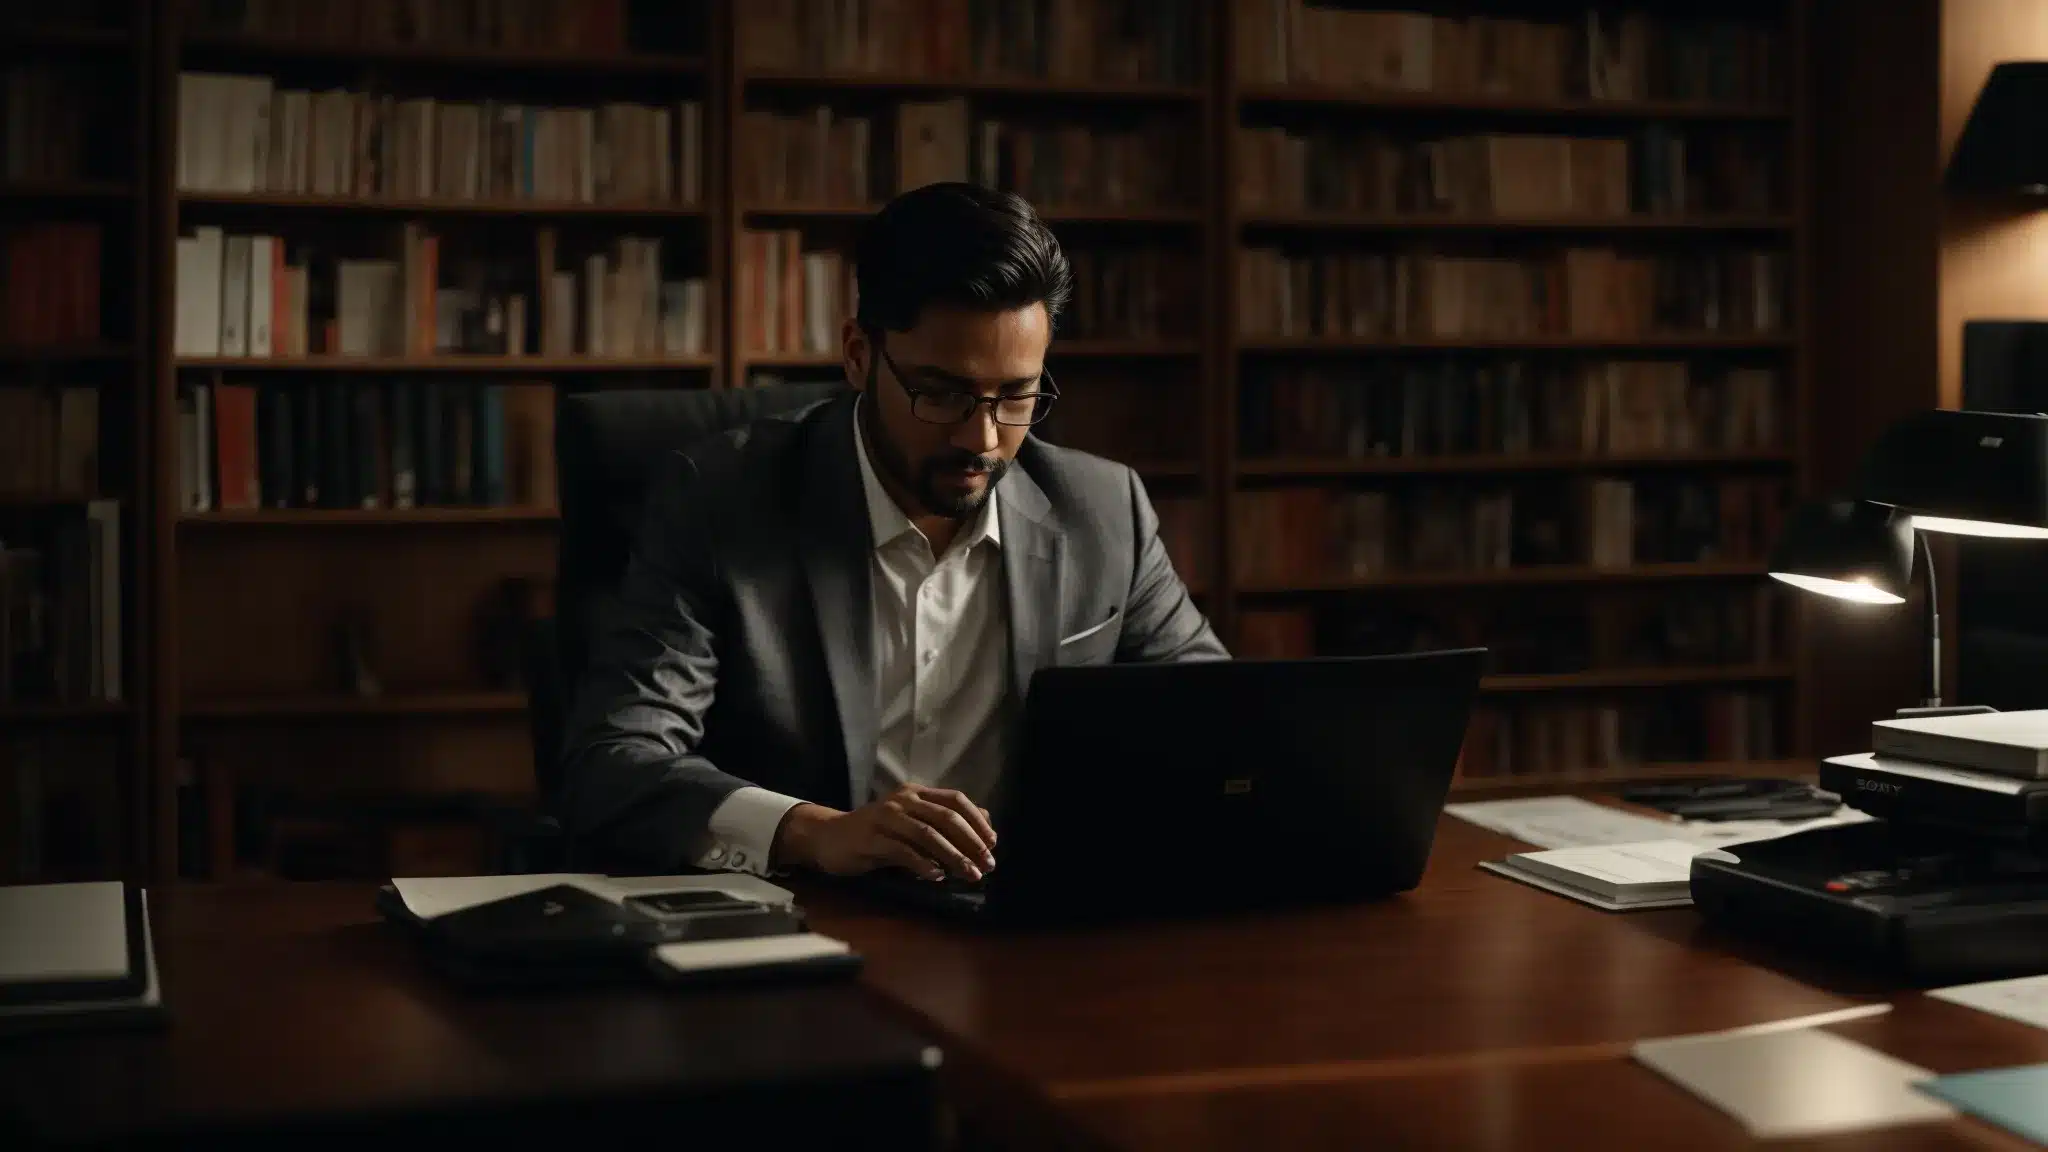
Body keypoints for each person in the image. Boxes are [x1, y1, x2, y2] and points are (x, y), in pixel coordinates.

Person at [558, 183, 1227, 883]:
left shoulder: (1101, 509)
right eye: (941, 393)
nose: (984, 438)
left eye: (1018, 395)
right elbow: (614, 760)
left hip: (1029, 929)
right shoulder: (721, 500)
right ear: (857, 354)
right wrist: (814, 832)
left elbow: (1224, 723)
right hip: (803, 924)